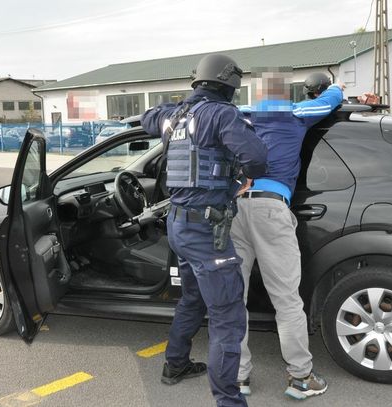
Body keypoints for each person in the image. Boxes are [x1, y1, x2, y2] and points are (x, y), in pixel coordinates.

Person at [142, 54, 267, 407]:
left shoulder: (174, 116)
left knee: (192, 299)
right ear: (228, 84)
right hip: (205, 232)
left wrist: (175, 108)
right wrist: (240, 175)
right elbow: (257, 158)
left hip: (179, 224)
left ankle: (175, 364)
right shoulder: (222, 114)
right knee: (228, 319)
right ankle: (229, 402)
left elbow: (147, 117)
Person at [230, 69, 344, 400]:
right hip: (270, 210)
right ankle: (300, 378)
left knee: (234, 299)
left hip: (235, 209)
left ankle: (238, 378)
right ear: (285, 93)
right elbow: (330, 99)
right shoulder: (296, 113)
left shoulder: (240, 116)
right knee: (287, 300)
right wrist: (337, 86)